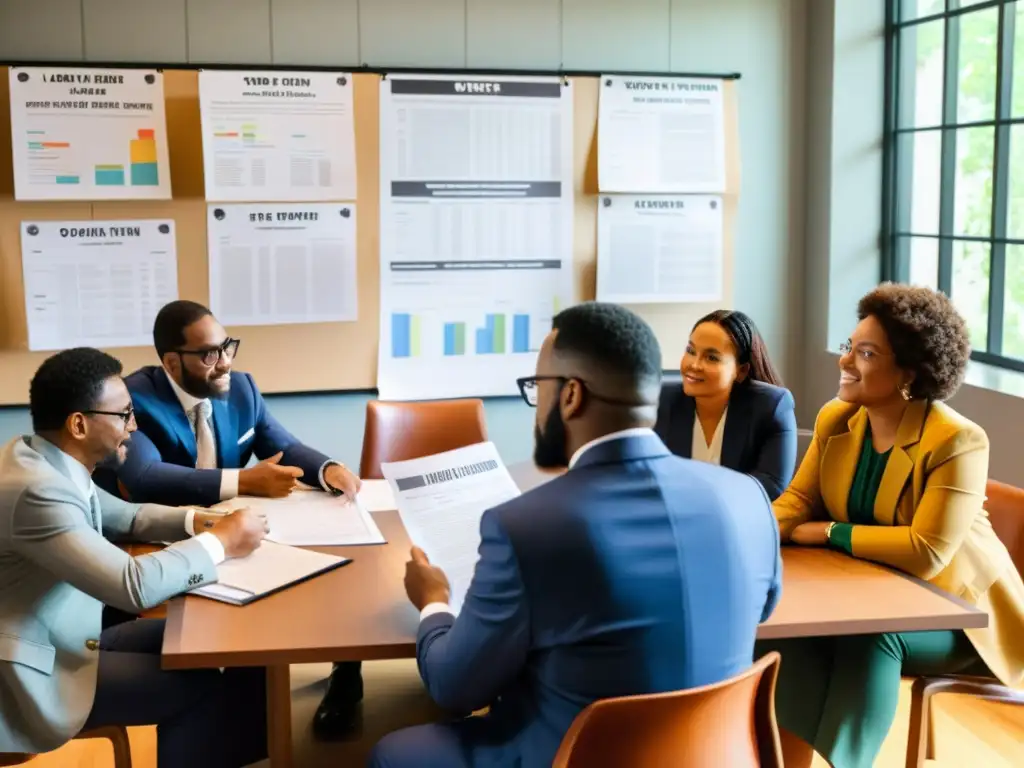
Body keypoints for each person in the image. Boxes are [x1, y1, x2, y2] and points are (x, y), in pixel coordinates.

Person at [369, 301, 782, 768]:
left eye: (536, 387)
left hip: (569, 756)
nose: (535, 403)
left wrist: (434, 602)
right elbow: (760, 608)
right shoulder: (747, 497)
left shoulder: (524, 527)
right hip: (716, 753)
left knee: (390, 753)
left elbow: (453, 688)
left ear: (570, 395)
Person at [762, 284, 1024, 768]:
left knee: (872, 636)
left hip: (960, 616)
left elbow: (927, 551)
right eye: (849, 346)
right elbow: (798, 500)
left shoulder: (958, 440)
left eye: (865, 353)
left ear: (909, 373)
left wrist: (829, 532)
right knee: (790, 630)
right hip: (876, 594)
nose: (845, 362)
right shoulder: (838, 420)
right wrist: (747, 534)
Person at [94, 299, 365, 740]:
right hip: (165, 540)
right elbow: (145, 476)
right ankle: (241, 723)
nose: (225, 363)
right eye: (209, 354)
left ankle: (324, 684)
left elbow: (283, 445)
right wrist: (243, 480)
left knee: (328, 574)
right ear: (171, 362)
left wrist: (328, 469)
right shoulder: (134, 398)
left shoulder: (241, 388)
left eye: (228, 347)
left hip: (237, 538)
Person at [0, 348, 269, 766]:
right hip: (31, 674)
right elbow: (134, 586)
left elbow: (126, 517)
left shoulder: (44, 458)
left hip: (65, 637)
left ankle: (254, 748)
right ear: (79, 424)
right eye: (124, 414)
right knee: (193, 688)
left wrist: (204, 521)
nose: (134, 426)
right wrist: (222, 544)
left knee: (230, 643)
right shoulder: (38, 490)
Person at [655, 309, 797, 500]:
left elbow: (771, 485)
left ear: (741, 370)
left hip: (739, 522)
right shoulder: (661, 400)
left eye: (711, 357)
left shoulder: (771, 406)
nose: (694, 365)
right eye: (691, 351)